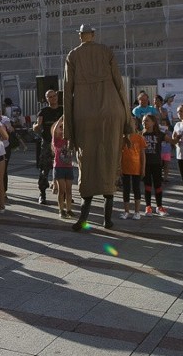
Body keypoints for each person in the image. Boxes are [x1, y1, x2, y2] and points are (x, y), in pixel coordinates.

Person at [64, 25, 131, 232]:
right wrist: (128, 124)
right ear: (93, 35)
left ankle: (83, 219)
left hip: (84, 113)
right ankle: (107, 219)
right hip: (112, 111)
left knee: (87, 162)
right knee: (110, 161)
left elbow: (67, 91)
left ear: (80, 36)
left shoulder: (73, 55)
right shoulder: (106, 51)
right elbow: (119, 85)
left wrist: (69, 133)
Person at [33, 89, 63, 205]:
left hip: (61, 144)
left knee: (62, 169)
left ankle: (64, 194)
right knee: (44, 169)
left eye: (54, 96)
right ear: (47, 99)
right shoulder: (43, 112)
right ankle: (42, 194)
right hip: (47, 143)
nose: (53, 98)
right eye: (50, 97)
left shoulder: (63, 110)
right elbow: (38, 126)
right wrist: (36, 126)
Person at [141, 114, 169, 216]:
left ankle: (159, 206)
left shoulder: (159, 134)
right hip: (145, 164)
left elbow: (172, 141)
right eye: (143, 121)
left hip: (156, 163)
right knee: (147, 186)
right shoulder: (141, 135)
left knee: (158, 185)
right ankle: (148, 206)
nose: (144, 123)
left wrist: (177, 136)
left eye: (147, 121)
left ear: (153, 122)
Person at [120, 120, 146, 220]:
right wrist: (119, 167)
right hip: (125, 167)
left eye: (133, 124)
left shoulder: (139, 137)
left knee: (136, 189)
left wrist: (143, 168)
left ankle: (137, 211)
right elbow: (120, 153)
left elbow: (142, 154)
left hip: (136, 167)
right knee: (125, 189)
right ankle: (126, 211)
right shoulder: (123, 138)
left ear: (136, 125)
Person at [51, 117, 75, 218]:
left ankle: (69, 209)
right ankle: (61, 210)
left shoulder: (68, 141)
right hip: (59, 168)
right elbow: (56, 129)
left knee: (69, 190)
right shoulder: (56, 141)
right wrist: (60, 120)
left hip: (68, 167)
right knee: (62, 190)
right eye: (61, 128)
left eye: (64, 128)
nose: (62, 130)